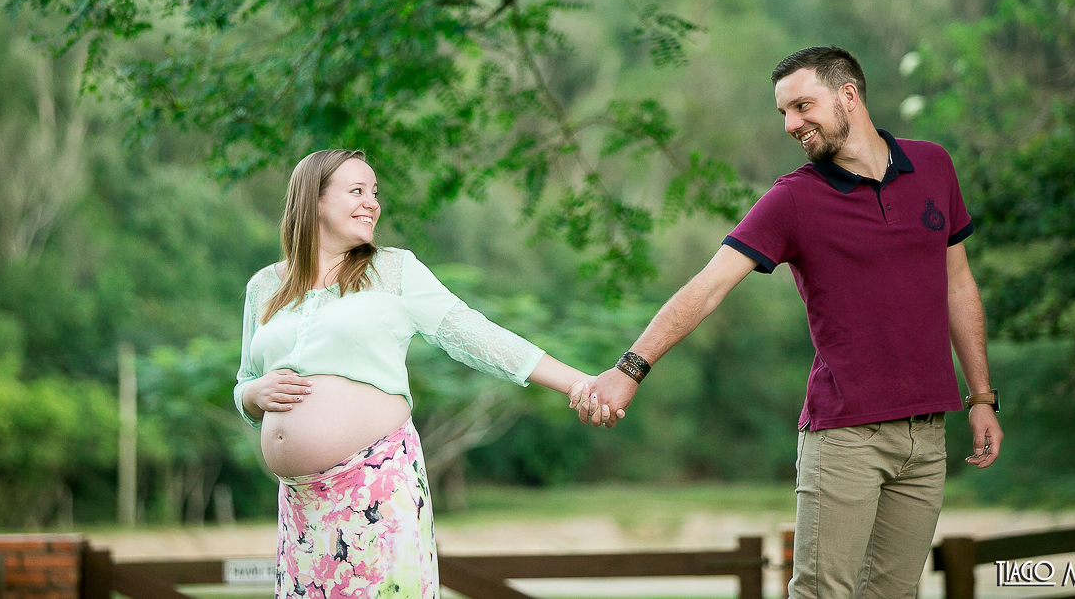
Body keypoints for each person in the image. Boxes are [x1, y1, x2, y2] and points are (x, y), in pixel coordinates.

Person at [578, 46, 1003, 599]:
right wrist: (629, 369)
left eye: (802, 106)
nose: (790, 124)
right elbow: (708, 288)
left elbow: (958, 284)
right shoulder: (794, 199)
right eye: (783, 112)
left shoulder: (934, 166)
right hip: (845, 435)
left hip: (926, 435)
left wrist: (982, 398)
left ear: (848, 95)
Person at [235, 149, 609, 599]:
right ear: (312, 200)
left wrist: (578, 383)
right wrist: (254, 393)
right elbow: (244, 386)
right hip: (301, 505)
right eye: (356, 191)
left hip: (376, 486)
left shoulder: (393, 270)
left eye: (375, 192)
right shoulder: (264, 286)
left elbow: (477, 336)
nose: (372, 202)